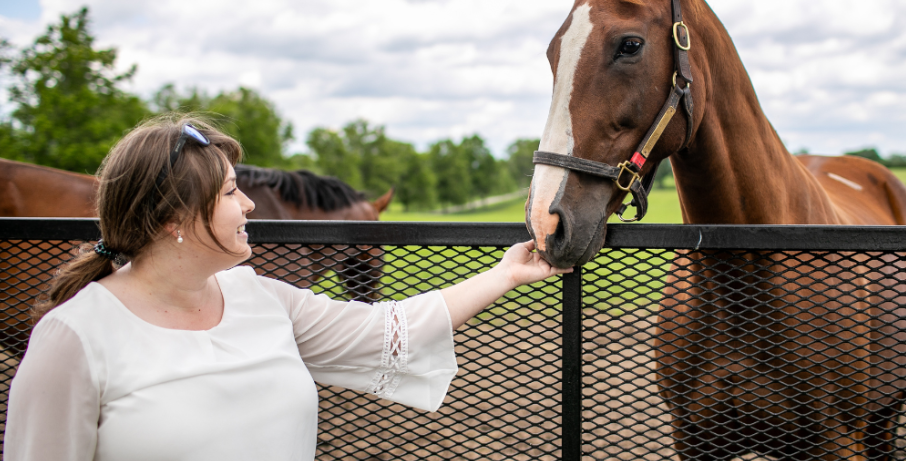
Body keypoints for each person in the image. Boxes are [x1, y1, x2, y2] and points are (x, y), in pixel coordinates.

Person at [4, 116, 571, 461]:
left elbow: (389, 330)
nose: (250, 203)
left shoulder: (262, 298)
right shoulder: (72, 339)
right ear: (175, 218)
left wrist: (505, 274)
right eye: (230, 193)